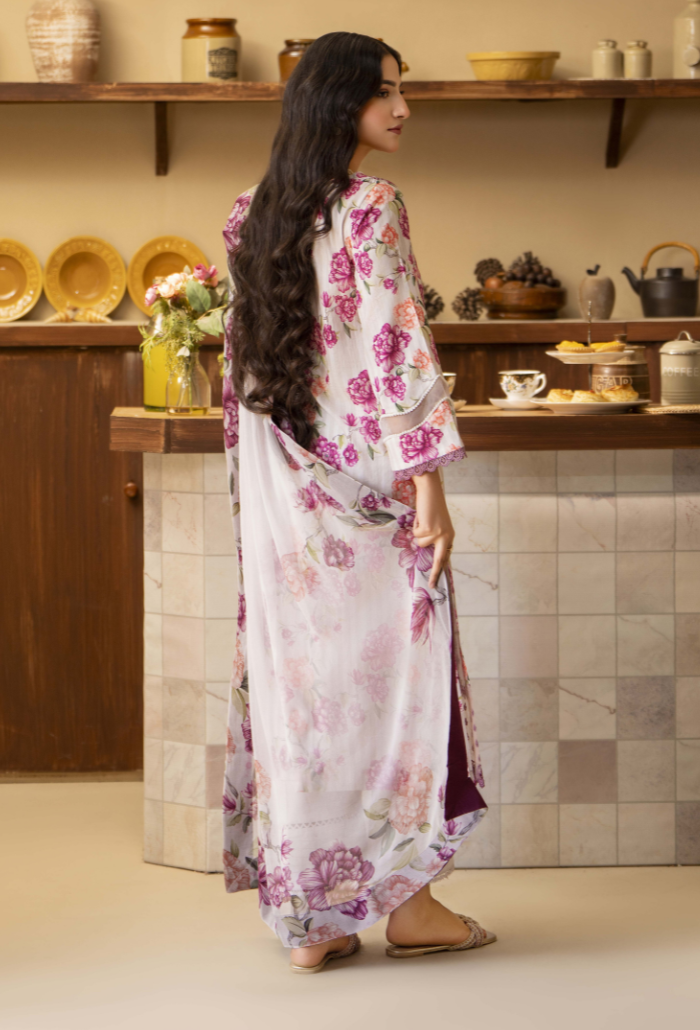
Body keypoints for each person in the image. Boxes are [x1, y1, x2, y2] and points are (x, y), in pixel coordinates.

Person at [220, 31, 495, 973]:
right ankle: (410, 909)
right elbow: (395, 350)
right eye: (385, 93)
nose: (402, 109)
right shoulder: (373, 205)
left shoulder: (248, 215)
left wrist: (271, 495)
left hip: (287, 496)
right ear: (338, 102)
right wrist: (430, 487)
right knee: (405, 685)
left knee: (307, 693)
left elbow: (246, 372)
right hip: (371, 487)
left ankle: (316, 920)